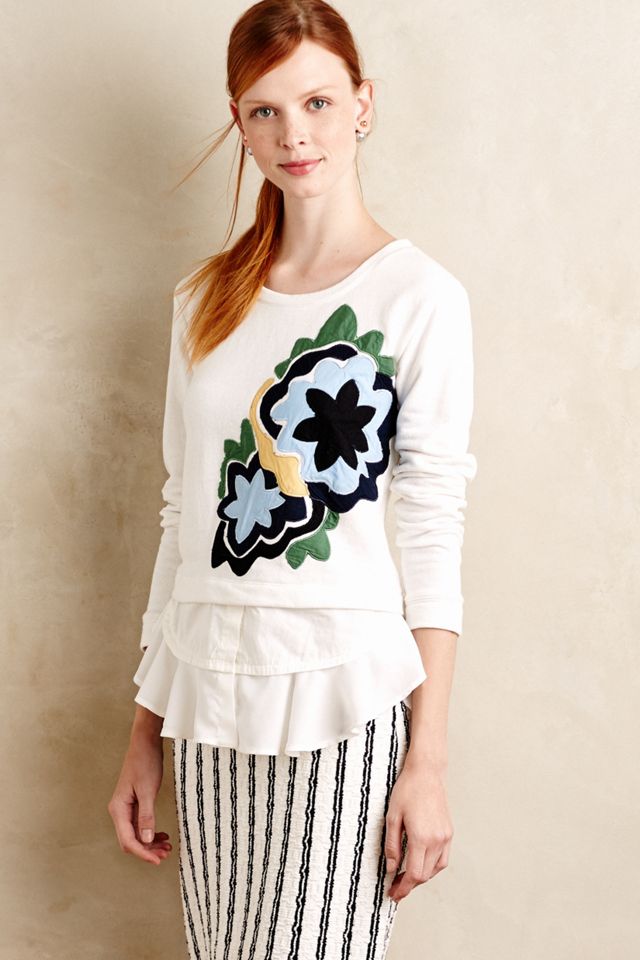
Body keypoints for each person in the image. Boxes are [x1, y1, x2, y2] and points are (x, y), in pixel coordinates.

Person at [108, 1, 478, 958]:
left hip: (345, 698)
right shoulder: (202, 300)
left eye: (316, 102)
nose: (293, 134)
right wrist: (145, 730)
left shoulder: (419, 298)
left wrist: (427, 761)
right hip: (206, 706)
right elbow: (186, 517)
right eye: (264, 110)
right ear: (239, 122)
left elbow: (432, 530)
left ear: (362, 103)